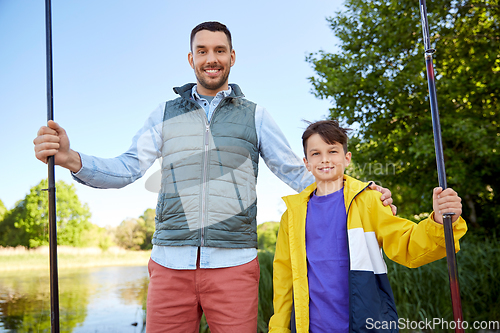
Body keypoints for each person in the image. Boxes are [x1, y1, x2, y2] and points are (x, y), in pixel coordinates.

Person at [34, 22, 395, 333]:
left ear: (232, 57)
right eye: (202, 51)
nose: (211, 58)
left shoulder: (256, 115)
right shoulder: (163, 113)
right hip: (169, 262)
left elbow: (299, 174)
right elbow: (127, 167)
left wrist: (360, 194)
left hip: (235, 265)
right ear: (191, 59)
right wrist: (70, 158)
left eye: (220, 50)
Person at [269, 120, 467, 333]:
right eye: (316, 153)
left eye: (333, 151)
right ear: (306, 163)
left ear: (347, 158)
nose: (325, 159)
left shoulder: (369, 201)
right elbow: (283, 279)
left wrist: (439, 221)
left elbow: (407, 244)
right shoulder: (292, 215)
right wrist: (278, 329)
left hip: (366, 325)